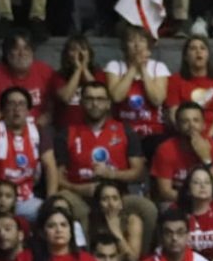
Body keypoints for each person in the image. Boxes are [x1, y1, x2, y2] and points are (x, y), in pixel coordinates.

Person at [54, 80, 155, 246]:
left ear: (108, 103)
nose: (95, 104)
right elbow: (57, 176)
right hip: (81, 195)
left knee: (148, 209)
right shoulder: (67, 133)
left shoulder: (125, 130)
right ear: (81, 102)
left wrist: (112, 174)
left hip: (118, 196)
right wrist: (79, 189)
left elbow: (139, 172)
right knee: (67, 203)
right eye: (89, 99)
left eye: (100, 99)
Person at [0, 86, 59, 222]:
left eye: (21, 104)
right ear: (2, 110)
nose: (16, 108)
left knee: (55, 216)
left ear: (29, 111)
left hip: (25, 200)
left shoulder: (39, 132)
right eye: (11, 104)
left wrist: (50, 203)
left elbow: (50, 167)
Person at [104, 26, 171, 154]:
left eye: (141, 40)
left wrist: (143, 69)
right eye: (131, 41)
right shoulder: (115, 66)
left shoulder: (158, 67)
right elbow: (117, 97)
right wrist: (134, 67)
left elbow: (157, 99)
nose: (137, 45)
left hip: (153, 131)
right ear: (125, 45)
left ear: (148, 45)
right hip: (123, 131)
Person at [150, 101, 213, 203]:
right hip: (177, 200)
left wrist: (207, 159)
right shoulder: (165, 149)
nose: (191, 125)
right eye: (185, 121)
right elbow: (165, 191)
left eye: (196, 121)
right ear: (178, 126)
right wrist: (194, 202)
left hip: (208, 199)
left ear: (203, 125)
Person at [0, 32, 56, 128]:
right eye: (16, 49)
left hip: (39, 130)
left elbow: (56, 104)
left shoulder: (45, 71)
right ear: (7, 53)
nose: (22, 53)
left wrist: (48, 116)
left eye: (26, 48)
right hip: (6, 130)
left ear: (32, 52)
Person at [166, 36, 213, 140]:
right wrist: (189, 136)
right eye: (193, 48)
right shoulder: (175, 80)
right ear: (186, 57)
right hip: (184, 134)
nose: (198, 51)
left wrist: (206, 137)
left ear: (208, 55)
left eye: (202, 48)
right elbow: (173, 114)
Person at [177, 164, 213, 261]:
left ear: (212, 188)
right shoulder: (177, 211)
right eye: (196, 182)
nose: (202, 186)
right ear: (188, 189)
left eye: (207, 182)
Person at [52, 36, 107, 130]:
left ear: (89, 53)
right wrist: (78, 70)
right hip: (66, 129)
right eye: (73, 50)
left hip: (92, 128)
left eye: (83, 49)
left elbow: (97, 91)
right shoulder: (58, 76)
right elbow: (66, 97)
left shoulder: (99, 74)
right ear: (67, 54)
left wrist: (84, 68)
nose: (79, 53)